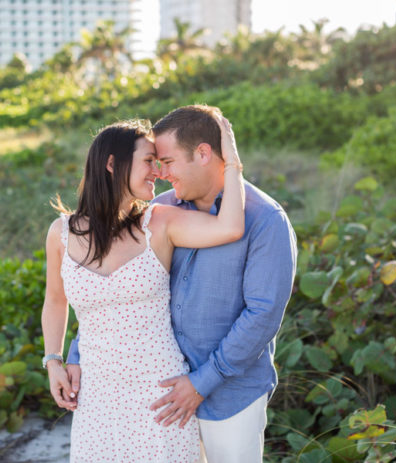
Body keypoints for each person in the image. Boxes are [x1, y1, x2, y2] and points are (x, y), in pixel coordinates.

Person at [65, 105, 297, 462]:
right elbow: (118, 292)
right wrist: (76, 355)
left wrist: (200, 383)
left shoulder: (265, 220)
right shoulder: (158, 210)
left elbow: (262, 316)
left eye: (168, 162)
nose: (160, 173)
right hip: (159, 391)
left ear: (203, 153)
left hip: (228, 397)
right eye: (155, 162)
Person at [41, 113, 245, 462]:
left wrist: (233, 163)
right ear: (111, 164)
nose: (158, 171)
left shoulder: (160, 223)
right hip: (96, 396)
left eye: (159, 162)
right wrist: (53, 361)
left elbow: (230, 228)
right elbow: (55, 301)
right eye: (149, 161)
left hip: (160, 393)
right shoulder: (61, 233)